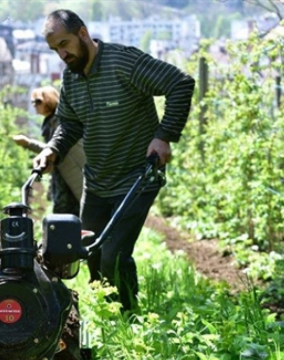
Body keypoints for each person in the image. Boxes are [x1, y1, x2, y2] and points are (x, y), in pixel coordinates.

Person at [33, 9, 195, 313]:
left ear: (82, 33)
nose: (62, 54)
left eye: (65, 44)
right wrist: (52, 149)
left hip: (137, 176)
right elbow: (69, 124)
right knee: (89, 253)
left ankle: (130, 319)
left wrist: (164, 136)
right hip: (96, 181)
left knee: (114, 256)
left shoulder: (122, 62)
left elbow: (180, 83)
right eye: (56, 50)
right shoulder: (71, 78)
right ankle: (109, 317)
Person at [13, 86, 85, 217]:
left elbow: (56, 149)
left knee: (66, 217)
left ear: (49, 100)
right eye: (33, 102)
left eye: (38, 101)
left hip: (70, 176)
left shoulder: (59, 121)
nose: (35, 105)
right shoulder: (52, 121)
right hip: (63, 175)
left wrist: (28, 143)